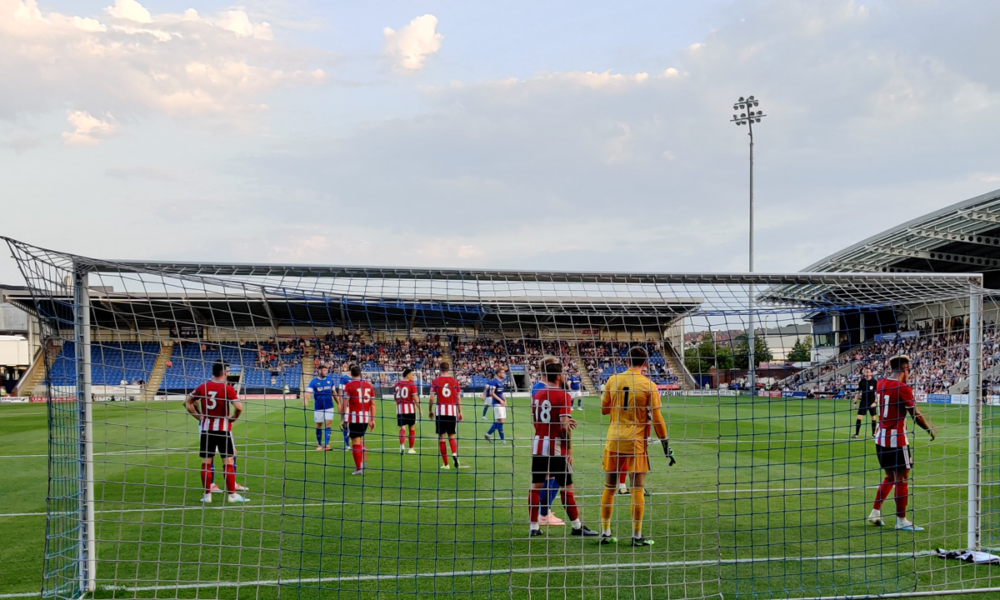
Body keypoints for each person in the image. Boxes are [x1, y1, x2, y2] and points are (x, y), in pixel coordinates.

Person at [599, 347, 674, 546]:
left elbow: (604, 410)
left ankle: (605, 532)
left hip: (614, 440)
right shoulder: (649, 385)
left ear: (626, 362)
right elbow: (657, 418)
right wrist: (665, 443)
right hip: (636, 443)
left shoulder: (613, 380)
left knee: (609, 488)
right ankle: (636, 536)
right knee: (637, 489)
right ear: (645, 364)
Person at [528, 358, 599, 538]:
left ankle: (534, 527)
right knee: (567, 488)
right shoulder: (563, 395)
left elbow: (537, 420)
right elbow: (562, 427)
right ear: (559, 376)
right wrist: (569, 451)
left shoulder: (537, 394)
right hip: (556, 448)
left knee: (535, 487)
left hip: (539, 445)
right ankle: (576, 526)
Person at [868, 355, 936, 531]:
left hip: (880, 438)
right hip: (896, 440)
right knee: (902, 479)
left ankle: (875, 512)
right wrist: (929, 429)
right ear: (905, 369)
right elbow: (914, 415)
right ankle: (901, 521)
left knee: (890, 477)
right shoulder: (903, 388)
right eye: (909, 369)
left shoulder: (881, 383)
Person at [183, 361, 249, 504]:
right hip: (223, 429)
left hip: (206, 429)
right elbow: (239, 407)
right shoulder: (227, 388)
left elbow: (186, 402)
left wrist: (199, 417)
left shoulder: (203, 387)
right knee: (228, 461)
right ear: (224, 372)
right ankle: (232, 495)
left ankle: (207, 496)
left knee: (206, 462)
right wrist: (233, 418)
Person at [533, 357, 563, 526]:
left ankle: (545, 511)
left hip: (542, 437)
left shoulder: (537, 388)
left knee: (553, 476)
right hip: (551, 438)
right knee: (552, 476)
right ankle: (545, 513)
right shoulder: (544, 389)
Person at [429, 361, 464, 469]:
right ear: (448, 369)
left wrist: (430, 410)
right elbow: (458, 398)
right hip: (452, 411)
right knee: (452, 436)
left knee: (442, 438)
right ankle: (454, 453)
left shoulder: (435, 381)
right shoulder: (455, 381)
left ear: (440, 369)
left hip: (440, 412)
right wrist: (460, 412)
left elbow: (431, 398)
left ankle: (446, 464)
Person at [342, 365, 376, 475]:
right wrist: (372, 420)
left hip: (355, 418)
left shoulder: (348, 385)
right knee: (359, 440)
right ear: (360, 373)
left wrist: (343, 418)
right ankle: (360, 463)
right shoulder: (368, 385)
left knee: (355, 442)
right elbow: (373, 404)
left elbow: (345, 403)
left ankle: (358, 468)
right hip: (365, 418)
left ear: (351, 374)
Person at [304, 365, 336, 451]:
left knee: (328, 424)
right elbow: (308, 392)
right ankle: (319, 444)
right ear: (319, 371)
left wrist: (339, 403)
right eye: (324, 370)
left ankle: (327, 444)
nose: (325, 371)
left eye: (326, 370)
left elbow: (333, 392)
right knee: (319, 425)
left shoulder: (330, 380)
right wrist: (305, 400)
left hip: (329, 406)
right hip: (319, 407)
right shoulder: (313, 382)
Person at [394, 368, 421, 454]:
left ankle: (402, 445)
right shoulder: (411, 384)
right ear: (408, 375)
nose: (414, 376)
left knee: (402, 428)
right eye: (412, 375)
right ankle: (411, 449)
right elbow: (416, 399)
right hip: (410, 409)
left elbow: (395, 398)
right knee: (412, 429)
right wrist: (420, 409)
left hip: (400, 409)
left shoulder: (397, 384)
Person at [483, 367, 508, 444]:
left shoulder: (501, 382)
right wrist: (500, 400)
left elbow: (501, 393)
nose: (504, 374)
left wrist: (505, 401)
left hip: (501, 403)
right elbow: (492, 393)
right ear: (498, 373)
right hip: (496, 404)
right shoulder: (494, 381)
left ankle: (488, 434)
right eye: (502, 372)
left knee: (501, 421)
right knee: (500, 421)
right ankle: (502, 439)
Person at [853, 368, 878, 439]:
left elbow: (878, 393)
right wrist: (855, 402)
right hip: (863, 402)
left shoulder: (875, 382)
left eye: (868, 372)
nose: (867, 373)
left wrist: (875, 402)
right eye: (866, 372)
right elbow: (857, 392)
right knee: (859, 417)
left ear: (871, 373)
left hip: (872, 402)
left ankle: (873, 434)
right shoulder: (862, 382)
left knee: (873, 418)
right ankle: (856, 434)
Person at [337, 367, 354, 450]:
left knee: (354, 424)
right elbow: (340, 392)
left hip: (355, 405)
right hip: (346, 404)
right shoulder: (344, 378)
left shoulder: (356, 379)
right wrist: (340, 404)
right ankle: (347, 444)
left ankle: (355, 443)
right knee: (345, 423)